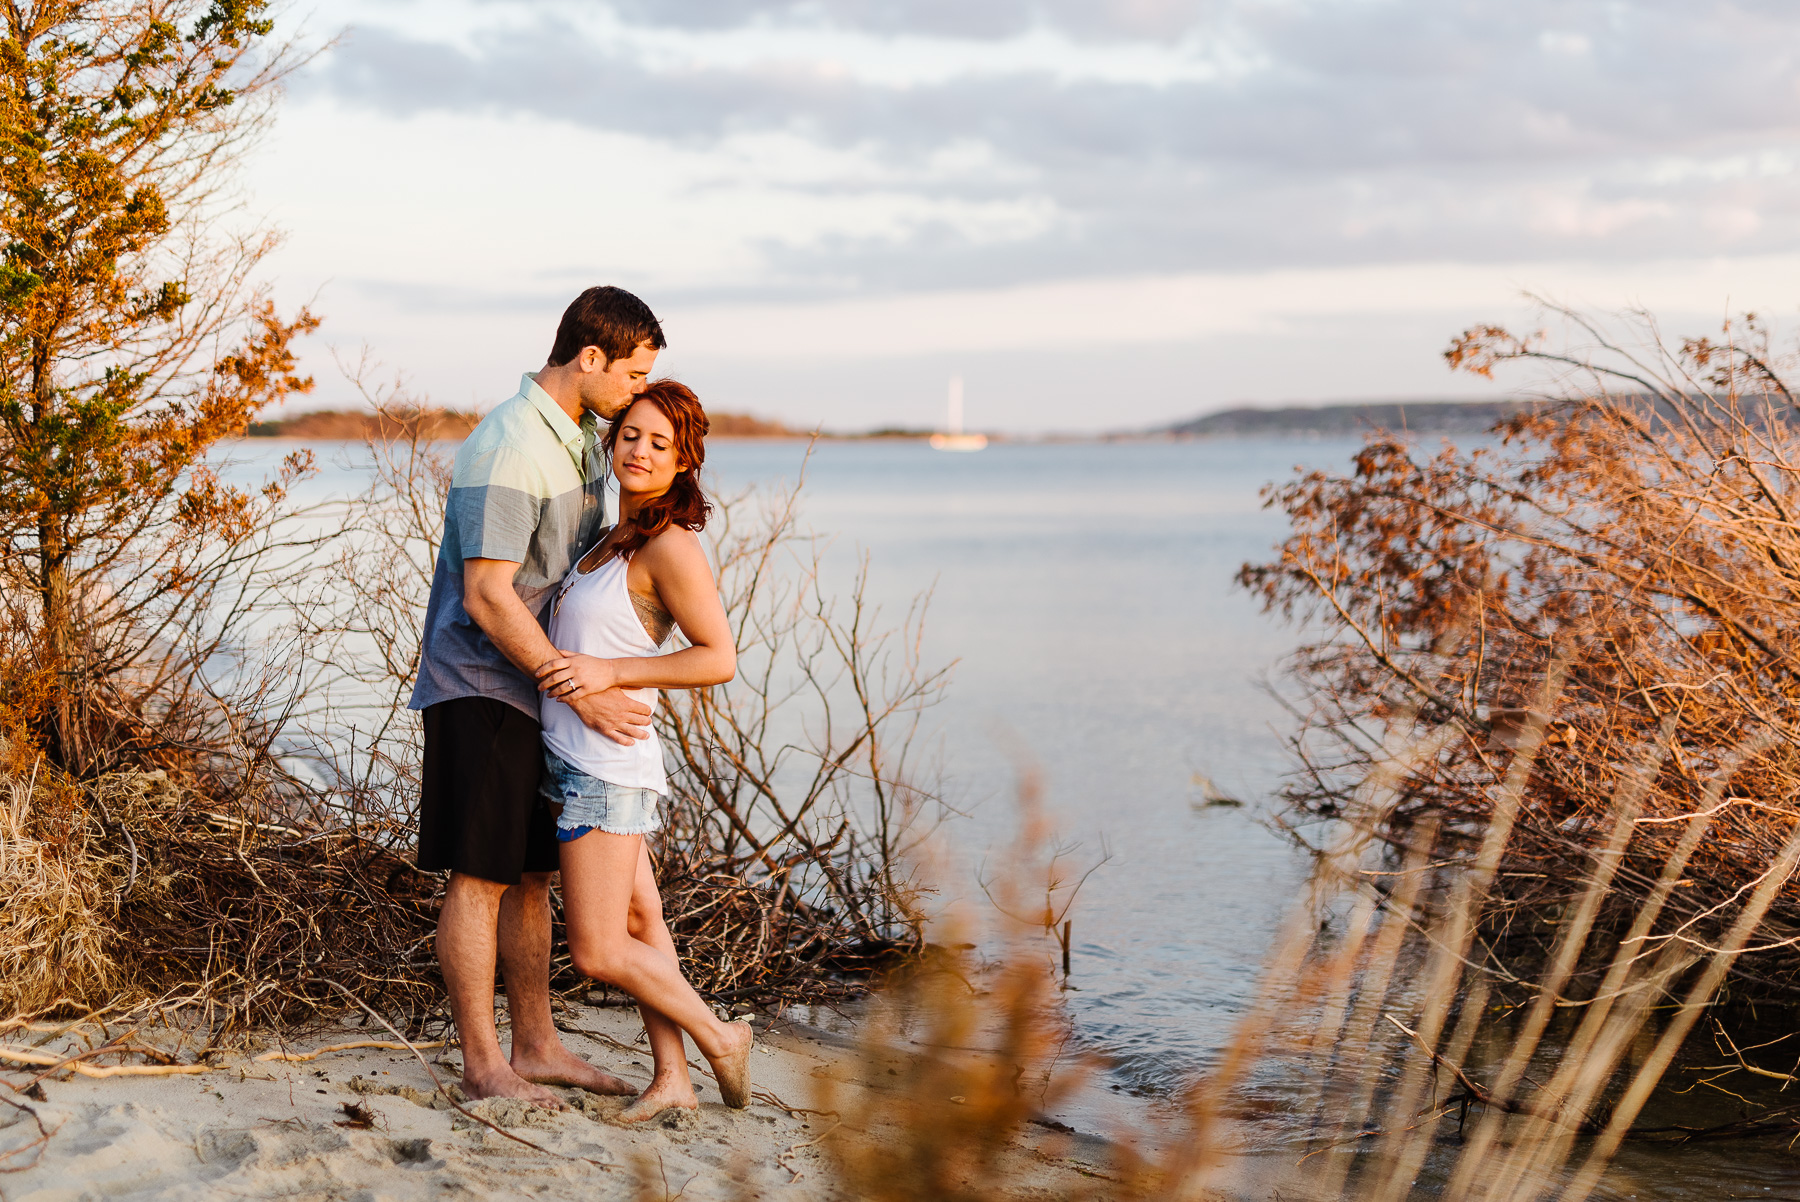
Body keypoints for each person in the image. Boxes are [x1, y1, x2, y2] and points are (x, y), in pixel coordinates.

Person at [409, 286, 664, 1106]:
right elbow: (488, 596)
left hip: (538, 691)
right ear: (589, 359)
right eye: (631, 375)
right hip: (483, 684)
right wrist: (580, 692)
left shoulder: (581, 442)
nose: (635, 391)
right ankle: (484, 1067)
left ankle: (539, 1043)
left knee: (529, 876)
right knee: (479, 876)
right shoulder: (511, 445)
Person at [533, 380, 754, 1122]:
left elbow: (717, 656)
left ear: (684, 459)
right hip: (573, 760)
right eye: (631, 434)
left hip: (607, 771)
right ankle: (674, 1079)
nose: (641, 449)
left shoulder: (670, 546)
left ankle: (721, 1038)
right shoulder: (608, 536)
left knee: (597, 951)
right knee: (642, 928)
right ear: (612, 438)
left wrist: (612, 673)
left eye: (661, 443)